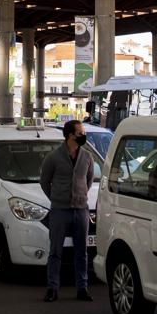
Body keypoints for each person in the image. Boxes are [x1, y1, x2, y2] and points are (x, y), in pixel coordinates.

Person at [38, 120, 94, 303]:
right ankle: (52, 288)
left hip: (81, 209)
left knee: (81, 251)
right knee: (55, 251)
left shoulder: (86, 156)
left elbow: (89, 180)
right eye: (80, 132)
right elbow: (44, 181)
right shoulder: (53, 157)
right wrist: (56, 198)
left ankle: (82, 288)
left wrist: (80, 196)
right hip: (60, 210)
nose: (83, 135)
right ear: (70, 135)